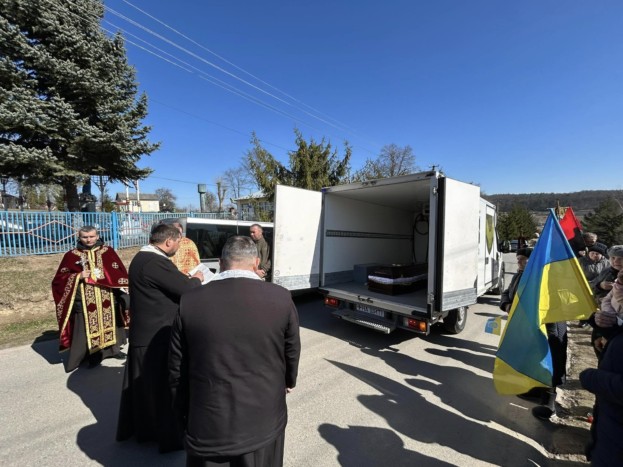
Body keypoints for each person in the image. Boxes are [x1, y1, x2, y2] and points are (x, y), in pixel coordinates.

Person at [169, 236, 301, 467]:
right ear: (256, 262)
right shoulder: (281, 297)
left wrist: (181, 411)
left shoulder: (190, 301)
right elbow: (291, 348)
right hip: (264, 418)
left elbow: (176, 366)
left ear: (221, 263)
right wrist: (289, 380)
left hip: (209, 419)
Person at [116, 224, 204, 453]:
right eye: (178, 243)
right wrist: (197, 279)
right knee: (160, 389)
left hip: (147, 332)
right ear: (168, 242)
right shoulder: (155, 262)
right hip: (155, 335)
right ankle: (164, 437)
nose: (178, 247)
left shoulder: (144, 258)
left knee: (147, 388)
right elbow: (186, 289)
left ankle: (147, 431)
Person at [51, 225, 129, 372]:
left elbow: (118, 271)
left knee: (110, 322)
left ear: (97, 236)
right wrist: (77, 276)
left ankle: (113, 350)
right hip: (84, 300)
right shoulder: (71, 255)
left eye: (92, 236)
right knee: (86, 327)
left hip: (107, 296)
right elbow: (59, 279)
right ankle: (92, 354)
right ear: (79, 237)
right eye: (85, 237)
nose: (89, 240)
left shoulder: (108, 251)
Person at [580, 274, 623, 465]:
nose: (618, 288)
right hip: (609, 428)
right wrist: (606, 328)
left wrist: (592, 378)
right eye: (619, 282)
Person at [589, 245, 623, 360]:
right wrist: (600, 285)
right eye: (613, 258)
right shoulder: (606, 271)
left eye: (621, 258)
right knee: (599, 347)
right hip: (603, 317)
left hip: (617, 326)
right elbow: (592, 286)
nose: (616, 261)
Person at [578, 244, 610, 327]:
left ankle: (596, 322)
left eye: (597, 254)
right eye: (592, 253)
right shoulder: (581, 261)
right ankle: (583, 320)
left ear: (602, 255)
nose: (594, 255)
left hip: (600, 288)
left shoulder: (607, 263)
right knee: (585, 304)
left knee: (598, 306)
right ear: (588, 253)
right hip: (584, 286)